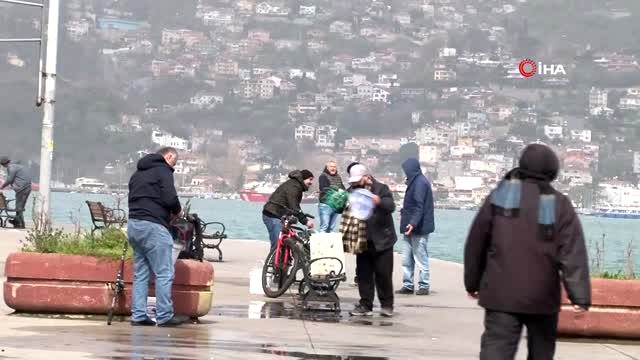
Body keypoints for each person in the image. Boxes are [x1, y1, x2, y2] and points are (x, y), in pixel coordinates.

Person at [464, 144, 591, 360]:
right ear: (552, 170)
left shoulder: (500, 197)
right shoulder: (559, 203)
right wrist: (579, 295)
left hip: (500, 294)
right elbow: (571, 253)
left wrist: (472, 282)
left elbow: (477, 242)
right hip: (542, 296)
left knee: (496, 350)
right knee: (541, 352)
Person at [127, 147, 189, 327]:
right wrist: (178, 211)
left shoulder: (137, 173)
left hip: (134, 224)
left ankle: (138, 315)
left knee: (141, 273)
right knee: (164, 272)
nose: (174, 167)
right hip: (154, 226)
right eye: (174, 163)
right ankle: (164, 316)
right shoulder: (163, 171)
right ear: (168, 156)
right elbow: (170, 198)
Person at [341, 164, 397, 317]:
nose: (355, 184)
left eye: (358, 180)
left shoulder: (382, 189)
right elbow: (341, 206)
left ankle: (387, 305)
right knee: (364, 274)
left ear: (367, 177)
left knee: (383, 274)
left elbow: (391, 206)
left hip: (383, 240)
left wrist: (378, 201)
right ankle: (365, 304)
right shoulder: (352, 191)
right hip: (363, 238)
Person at [396, 158, 434, 296]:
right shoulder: (414, 181)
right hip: (410, 225)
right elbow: (411, 205)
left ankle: (424, 285)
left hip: (418, 227)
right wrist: (403, 214)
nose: (404, 172)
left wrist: (412, 223)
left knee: (420, 256)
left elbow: (419, 206)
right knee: (407, 258)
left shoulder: (419, 183)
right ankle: (408, 284)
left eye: (405, 169)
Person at [262, 170, 315, 252]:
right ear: (303, 178)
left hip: (280, 215)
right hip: (272, 214)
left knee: (288, 239)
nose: (311, 182)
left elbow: (292, 206)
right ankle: (274, 262)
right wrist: (305, 221)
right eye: (310, 179)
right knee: (277, 241)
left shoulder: (296, 185)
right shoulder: (294, 187)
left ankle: (285, 261)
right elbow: (294, 206)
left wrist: (299, 215)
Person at [0, 156, 32, 229]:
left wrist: (2, 187)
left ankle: (20, 223)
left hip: (21, 188)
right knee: (20, 206)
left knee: (19, 206)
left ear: (3, 164)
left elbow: (9, 179)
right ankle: (17, 221)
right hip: (27, 187)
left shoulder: (10, 167)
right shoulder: (17, 166)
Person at [318, 160, 345, 232]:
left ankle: (331, 243)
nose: (333, 168)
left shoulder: (338, 177)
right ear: (327, 168)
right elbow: (324, 188)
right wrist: (337, 190)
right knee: (324, 226)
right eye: (331, 166)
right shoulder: (323, 176)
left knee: (331, 227)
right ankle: (322, 242)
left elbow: (342, 188)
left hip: (336, 204)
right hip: (325, 204)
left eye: (334, 167)